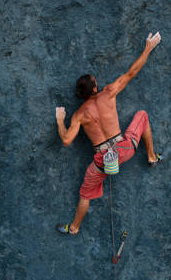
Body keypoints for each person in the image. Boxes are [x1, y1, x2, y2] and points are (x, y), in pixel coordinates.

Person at [55, 32, 163, 235]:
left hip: (102, 162)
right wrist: (148, 47)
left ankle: (74, 228)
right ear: (95, 88)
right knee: (142, 115)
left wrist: (60, 120)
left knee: (85, 193)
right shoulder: (109, 92)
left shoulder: (78, 115)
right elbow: (132, 72)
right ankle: (151, 157)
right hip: (125, 148)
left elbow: (67, 140)